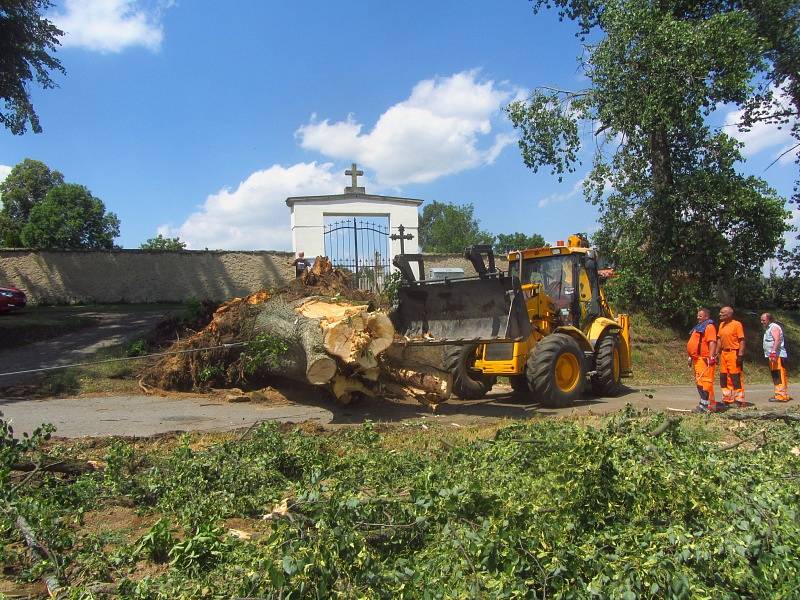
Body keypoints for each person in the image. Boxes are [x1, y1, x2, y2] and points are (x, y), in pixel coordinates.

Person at [687, 308, 721, 413]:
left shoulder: (709, 327)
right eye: (698, 315)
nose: (698, 317)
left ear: (706, 317)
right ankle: (703, 404)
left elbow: (712, 342)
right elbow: (695, 343)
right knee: (699, 382)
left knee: (705, 383)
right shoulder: (699, 327)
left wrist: (711, 357)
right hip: (697, 359)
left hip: (705, 359)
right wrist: (690, 356)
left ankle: (705, 406)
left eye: (700, 316)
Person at [717, 306, 750, 407]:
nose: (720, 314)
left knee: (735, 377)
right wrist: (716, 353)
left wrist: (740, 355)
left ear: (729, 314)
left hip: (733, 353)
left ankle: (739, 400)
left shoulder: (736, 324)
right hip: (723, 353)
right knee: (723, 376)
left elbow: (742, 340)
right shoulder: (721, 325)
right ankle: (727, 398)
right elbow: (719, 340)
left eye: (722, 313)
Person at [760, 313, 792, 402]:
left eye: (763, 320)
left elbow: (777, 339)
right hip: (773, 356)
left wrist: (773, 352)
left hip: (778, 356)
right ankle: (778, 394)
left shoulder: (774, 327)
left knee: (780, 375)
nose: (761, 322)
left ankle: (782, 396)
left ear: (769, 319)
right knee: (776, 376)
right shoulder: (768, 328)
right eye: (761, 320)